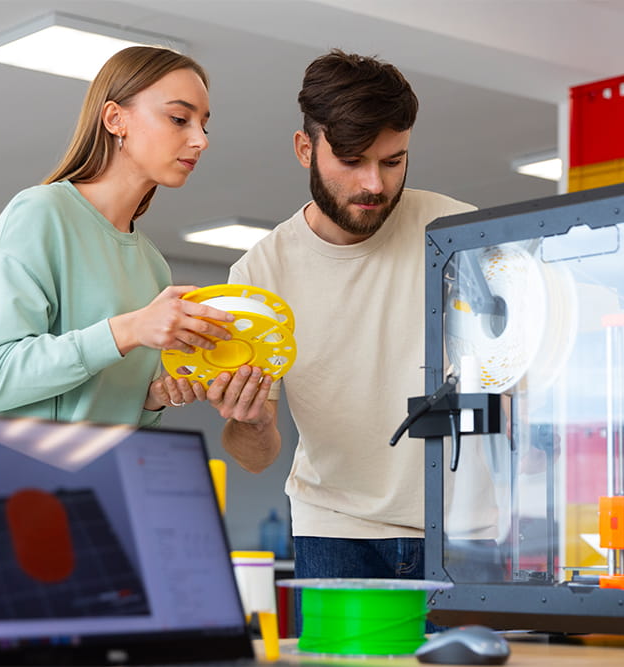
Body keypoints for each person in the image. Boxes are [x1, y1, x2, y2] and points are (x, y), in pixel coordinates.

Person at [0, 45, 237, 609]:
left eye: (204, 124)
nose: (199, 139)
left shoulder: (152, 264)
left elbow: (96, 408)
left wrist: (151, 398)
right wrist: (128, 330)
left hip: (78, 522)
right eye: (180, 119)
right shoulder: (39, 215)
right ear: (115, 119)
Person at [195, 50, 476, 591]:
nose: (374, 183)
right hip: (335, 531)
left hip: (468, 529)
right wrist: (251, 421)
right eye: (351, 160)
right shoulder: (258, 273)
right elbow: (254, 456)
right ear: (306, 149)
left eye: (393, 161)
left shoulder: (460, 233)